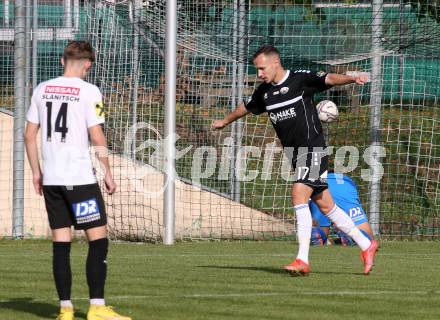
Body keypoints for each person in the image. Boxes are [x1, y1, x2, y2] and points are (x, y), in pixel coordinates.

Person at [212, 45, 378, 275]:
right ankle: (367, 244)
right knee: (326, 205)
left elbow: (329, 78)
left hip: (313, 148)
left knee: (299, 193)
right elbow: (247, 107)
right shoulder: (265, 92)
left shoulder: (301, 80)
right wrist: (224, 121)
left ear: (275, 63)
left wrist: (351, 78)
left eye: (261, 69)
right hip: (297, 156)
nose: (259, 74)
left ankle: (302, 259)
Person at [25, 41, 131, 320]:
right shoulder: (89, 91)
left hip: (52, 181)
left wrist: (37, 171)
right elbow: (96, 136)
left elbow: (28, 135)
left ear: (62, 61)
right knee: (98, 240)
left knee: (61, 243)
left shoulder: (41, 89)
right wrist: (107, 170)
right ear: (88, 64)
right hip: (80, 180)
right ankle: (97, 308)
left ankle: (65, 310)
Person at [309, 172, 374, 246]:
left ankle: (317, 233)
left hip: (318, 184)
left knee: (319, 234)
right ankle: (348, 234)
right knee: (368, 239)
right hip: (343, 184)